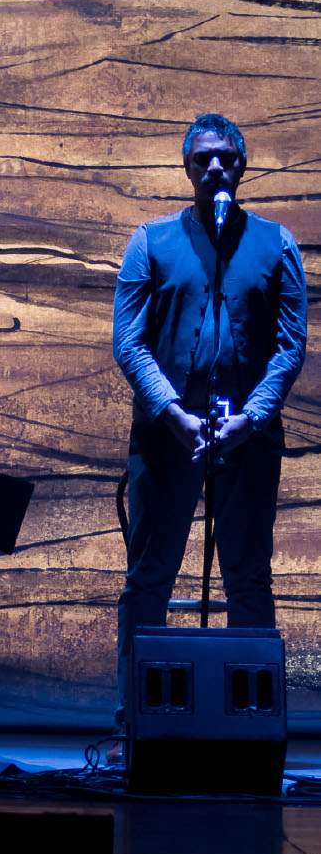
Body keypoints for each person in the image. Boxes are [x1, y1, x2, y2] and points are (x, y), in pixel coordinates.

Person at [111, 113, 306, 720]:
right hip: (168, 438)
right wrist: (173, 414)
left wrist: (254, 417)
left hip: (248, 439)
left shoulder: (277, 243)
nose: (215, 167)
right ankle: (134, 722)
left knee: (248, 579)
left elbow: (290, 345)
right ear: (187, 168)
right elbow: (128, 342)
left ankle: (252, 724)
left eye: (226, 157)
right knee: (149, 578)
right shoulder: (150, 241)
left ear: (242, 165)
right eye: (203, 158)